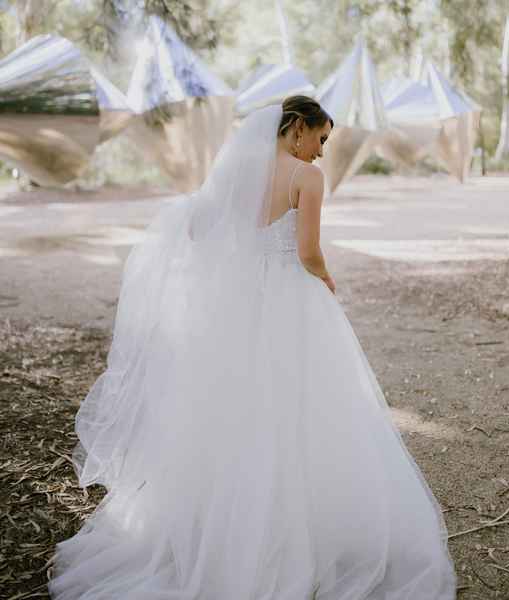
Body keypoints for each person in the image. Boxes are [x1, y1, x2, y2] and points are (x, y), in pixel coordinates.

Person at [48, 95, 457, 599]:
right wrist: (326, 278)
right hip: (291, 301)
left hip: (238, 303)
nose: (322, 152)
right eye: (321, 139)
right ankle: (296, 531)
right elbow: (307, 252)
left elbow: (199, 230)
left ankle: (223, 532)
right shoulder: (306, 179)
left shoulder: (237, 171)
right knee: (303, 409)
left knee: (235, 413)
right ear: (298, 127)